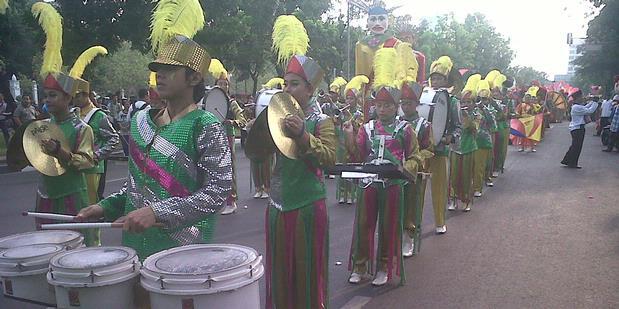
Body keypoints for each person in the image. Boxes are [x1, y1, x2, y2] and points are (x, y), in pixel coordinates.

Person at [77, 32, 233, 260]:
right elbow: (136, 184)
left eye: (170, 69)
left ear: (194, 78)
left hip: (184, 252)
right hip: (135, 247)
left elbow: (217, 192)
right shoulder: (141, 121)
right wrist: (106, 206)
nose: (159, 75)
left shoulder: (205, 125)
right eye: (158, 68)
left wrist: (158, 212)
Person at [265, 15, 336, 309]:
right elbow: (257, 155)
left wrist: (304, 137)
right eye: (285, 83)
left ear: (310, 89)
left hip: (307, 207)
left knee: (308, 274)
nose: (287, 89)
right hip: (277, 207)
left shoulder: (322, 121)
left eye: (294, 84)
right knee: (278, 275)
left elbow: (330, 159)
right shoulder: (275, 119)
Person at [346, 43, 421, 286]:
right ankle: (360, 266)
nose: (383, 109)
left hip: (393, 185)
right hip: (369, 184)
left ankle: (385, 268)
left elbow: (415, 157)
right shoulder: (366, 128)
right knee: (364, 225)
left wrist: (404, 169)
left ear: (396, 106)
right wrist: (348, 135)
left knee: (389, 228)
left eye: (388, 105)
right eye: (379, 105)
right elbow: (357, 155)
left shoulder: (405, 129)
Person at [426, 56, 461, 233]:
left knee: (439, 188)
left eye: (439, 78)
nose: (436, 81)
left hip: (439, 149)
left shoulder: (452, 101)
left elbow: (457, 128)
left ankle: (440, 221)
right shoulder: (423, 96)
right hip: (421, 150)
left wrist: (449, 138)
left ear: (446, 81)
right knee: (417, 187)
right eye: (433, 78)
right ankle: (412, 225)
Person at [209, 59, 247, 215]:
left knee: (229, 169)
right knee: (215, 170)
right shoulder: (211, 102)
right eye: (220, 83)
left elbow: (242, 121)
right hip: (215, 138)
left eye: (225, 84)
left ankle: (232, 200)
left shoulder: (232, 104)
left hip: (228, 138)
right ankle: (220, 199)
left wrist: (231, 122)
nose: (223, 86)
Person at [399, 80, 433, 256]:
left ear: (417, 104)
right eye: (403, 103)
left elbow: (430, 149)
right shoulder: (395, 122)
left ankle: (409, 237)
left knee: (412, 205)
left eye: (409, 103)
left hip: (414, 172)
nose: (406, 107)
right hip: (397, 171)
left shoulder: (424, 125)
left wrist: (416, 159)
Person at [448, 74, 481, 212]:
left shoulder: (477, 114)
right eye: (463, 102)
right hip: (455, 148)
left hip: (469, 148)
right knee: (453, 176)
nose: (465, 105)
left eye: (468, 102)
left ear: (473, 103)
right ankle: (453, 200)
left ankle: (467, 201)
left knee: (467, 176)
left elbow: (475, 129)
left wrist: (467, 118)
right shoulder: (455, 113)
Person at [472, 78, 497, 197]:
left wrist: (484, 109)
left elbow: (493, 124)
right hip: (471, 141)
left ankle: (478, 187)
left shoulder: (490, 109)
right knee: (470, 166)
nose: (482, 101)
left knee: (480, 167)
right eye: (480, 99)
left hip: (483, 141)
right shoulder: (472, 108)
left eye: (485, 99)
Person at [561, 90, 598, 168]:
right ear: (578, 98)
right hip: (578, 128)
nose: (583, 98)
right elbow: (590, 111)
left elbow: (585, 107)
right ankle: (572, 163)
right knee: (577, 147)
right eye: (581, 96)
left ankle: (567, 160)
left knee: (574, 146)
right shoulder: (577, 107)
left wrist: (592, 102)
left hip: (576, 128)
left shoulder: (576, 106)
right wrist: (595, 102)